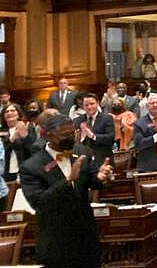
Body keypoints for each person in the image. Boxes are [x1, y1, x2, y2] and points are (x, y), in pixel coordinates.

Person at [19, 114, 114, 268]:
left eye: (73, 133)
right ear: (49, 135)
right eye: (65, 135)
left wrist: (102, 177)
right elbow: (39, 202)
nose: (71, 137)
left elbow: (93, 180)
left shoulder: (81, 151)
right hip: (56, 241)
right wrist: (67, 181)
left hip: (86, 238)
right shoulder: (31, 167)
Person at [75, 93, 116, 164]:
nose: (89, 107)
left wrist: (93, 136)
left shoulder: (107, 118)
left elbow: (110, 138)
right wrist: (79, 138)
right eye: (86, 105)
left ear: (97, 103)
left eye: (92, 104)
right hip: (84, 160)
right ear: (83, 106)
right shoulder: (77, 120)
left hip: (103, 159)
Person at [0, 104, 35, 183]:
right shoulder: (1, 131)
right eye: (6, 111)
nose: (9, 113)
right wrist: (12, 139)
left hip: (24, 169)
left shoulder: (27, 126)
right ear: (3, 116)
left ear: (18, 113)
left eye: (13, 110)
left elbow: (33, 149)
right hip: (6, 171)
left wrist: (25, 136)